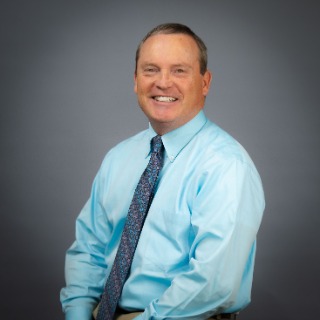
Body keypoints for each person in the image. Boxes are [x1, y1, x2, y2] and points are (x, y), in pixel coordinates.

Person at [60, 23, 265, 320]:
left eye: (179, 70)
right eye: (151, 70)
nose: (163, 83)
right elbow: (88, 251)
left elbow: (214, 284)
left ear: (205, 83)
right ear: (135, 80)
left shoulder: (226, 166)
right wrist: (77, 315)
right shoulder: (118, 158)